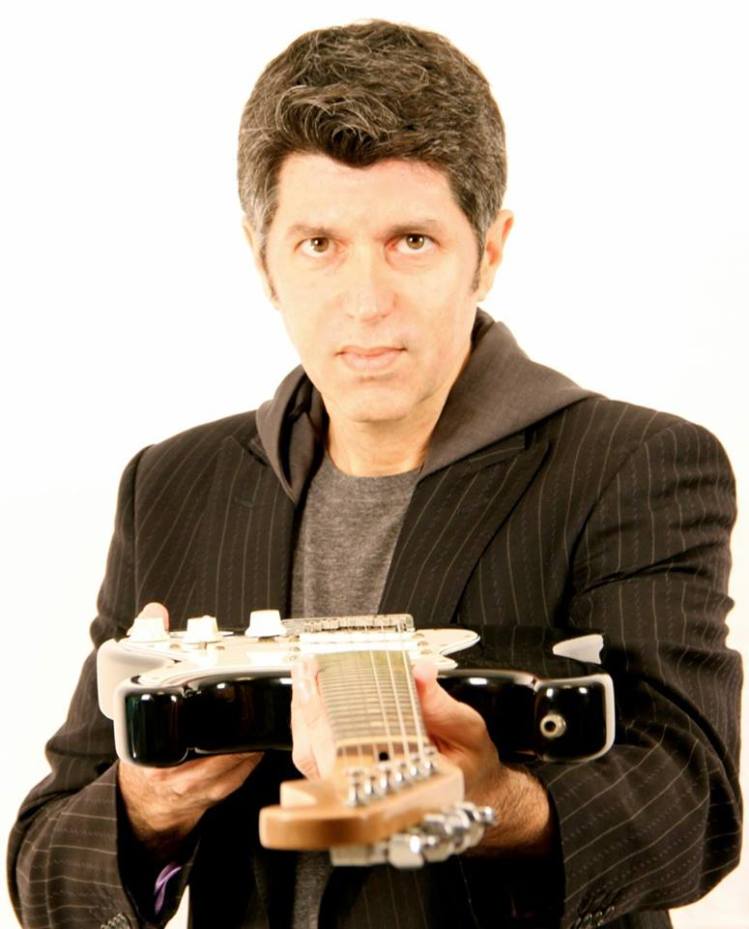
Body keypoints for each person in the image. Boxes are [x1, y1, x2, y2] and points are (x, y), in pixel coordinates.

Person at [7, 19, 741, 929]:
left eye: (411, 241)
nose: (365, 301)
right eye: (319, 243)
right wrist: (148, 805)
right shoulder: (173, 485)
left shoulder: (632, 465)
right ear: (264, 260)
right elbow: (45, 875)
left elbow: (693, 806)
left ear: (489, 250)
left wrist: (492, 804)